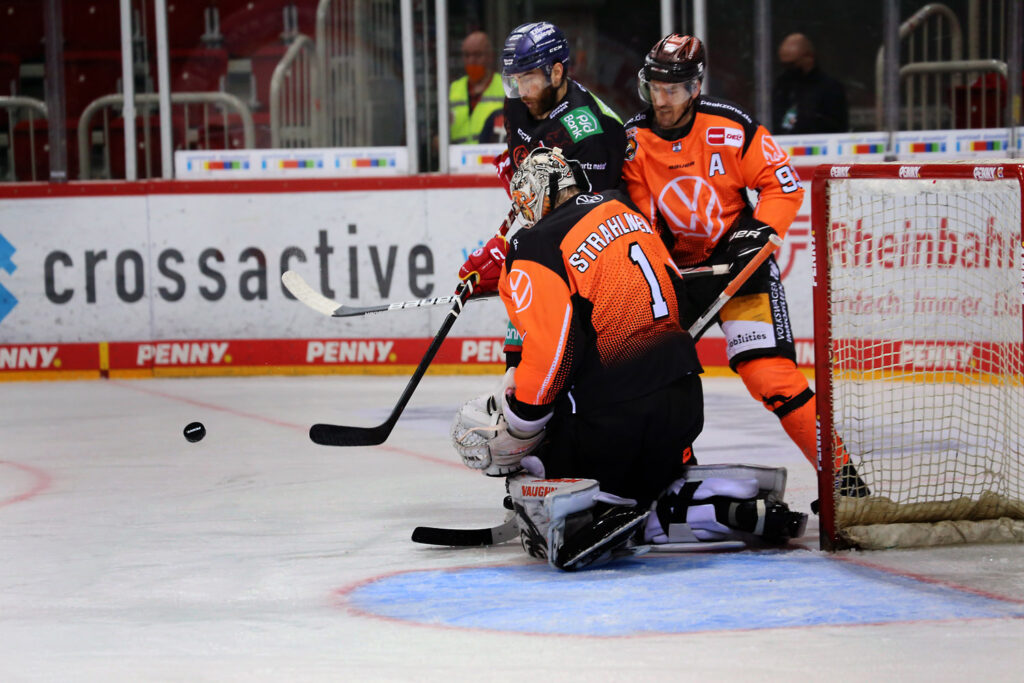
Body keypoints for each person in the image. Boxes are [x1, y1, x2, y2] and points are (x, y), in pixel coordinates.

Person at [450, 147, 808, 571]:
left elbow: (552, 357)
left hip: (615, 424)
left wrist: (520, 423)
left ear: (534, 197)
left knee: (526, 453)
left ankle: (585, 514)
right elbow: (673, 291)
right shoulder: (623, 208)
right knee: (651, 480)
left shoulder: (535, 245)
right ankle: (708, 506)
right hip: (683, 408)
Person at [621, 34, 867, 500]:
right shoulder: (633, 141)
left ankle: (845, 484)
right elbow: (637, 217)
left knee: (769, 376)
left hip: (739, 267)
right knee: (651, 378)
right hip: (675, 277)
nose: (662, 100)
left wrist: (758, 233)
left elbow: (783, 185)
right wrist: (656, 267)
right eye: (655, 88)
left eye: (672, 90)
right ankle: (674, 482)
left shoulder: (730, 127)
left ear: (696, 87)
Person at [458, 20, 628, 367]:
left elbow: (582, 221)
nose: (521, 90)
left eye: (528, 78)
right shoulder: (519, 102)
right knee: (519, 355)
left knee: (559, 355)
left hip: (597, 256)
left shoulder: (590, 131)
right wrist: (519, 179)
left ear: (556, 71)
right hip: (552, 242)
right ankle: (519, 387)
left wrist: (508, 252)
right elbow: (536, 186)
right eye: (514, 80)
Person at [772, 33, 849, 134]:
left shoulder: (829, 88)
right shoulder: (782, 87)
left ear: (809, 57)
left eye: (792, 64)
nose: (788, 70)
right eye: (784, 65)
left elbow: (836, 126)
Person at [449, 31, 506, 145]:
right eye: (467, 55)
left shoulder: (505, 86)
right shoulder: (453, 89)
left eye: (477, 55)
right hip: (456, 159)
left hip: (493, 158)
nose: (471, 61)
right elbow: (436, 132)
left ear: (490, 56)